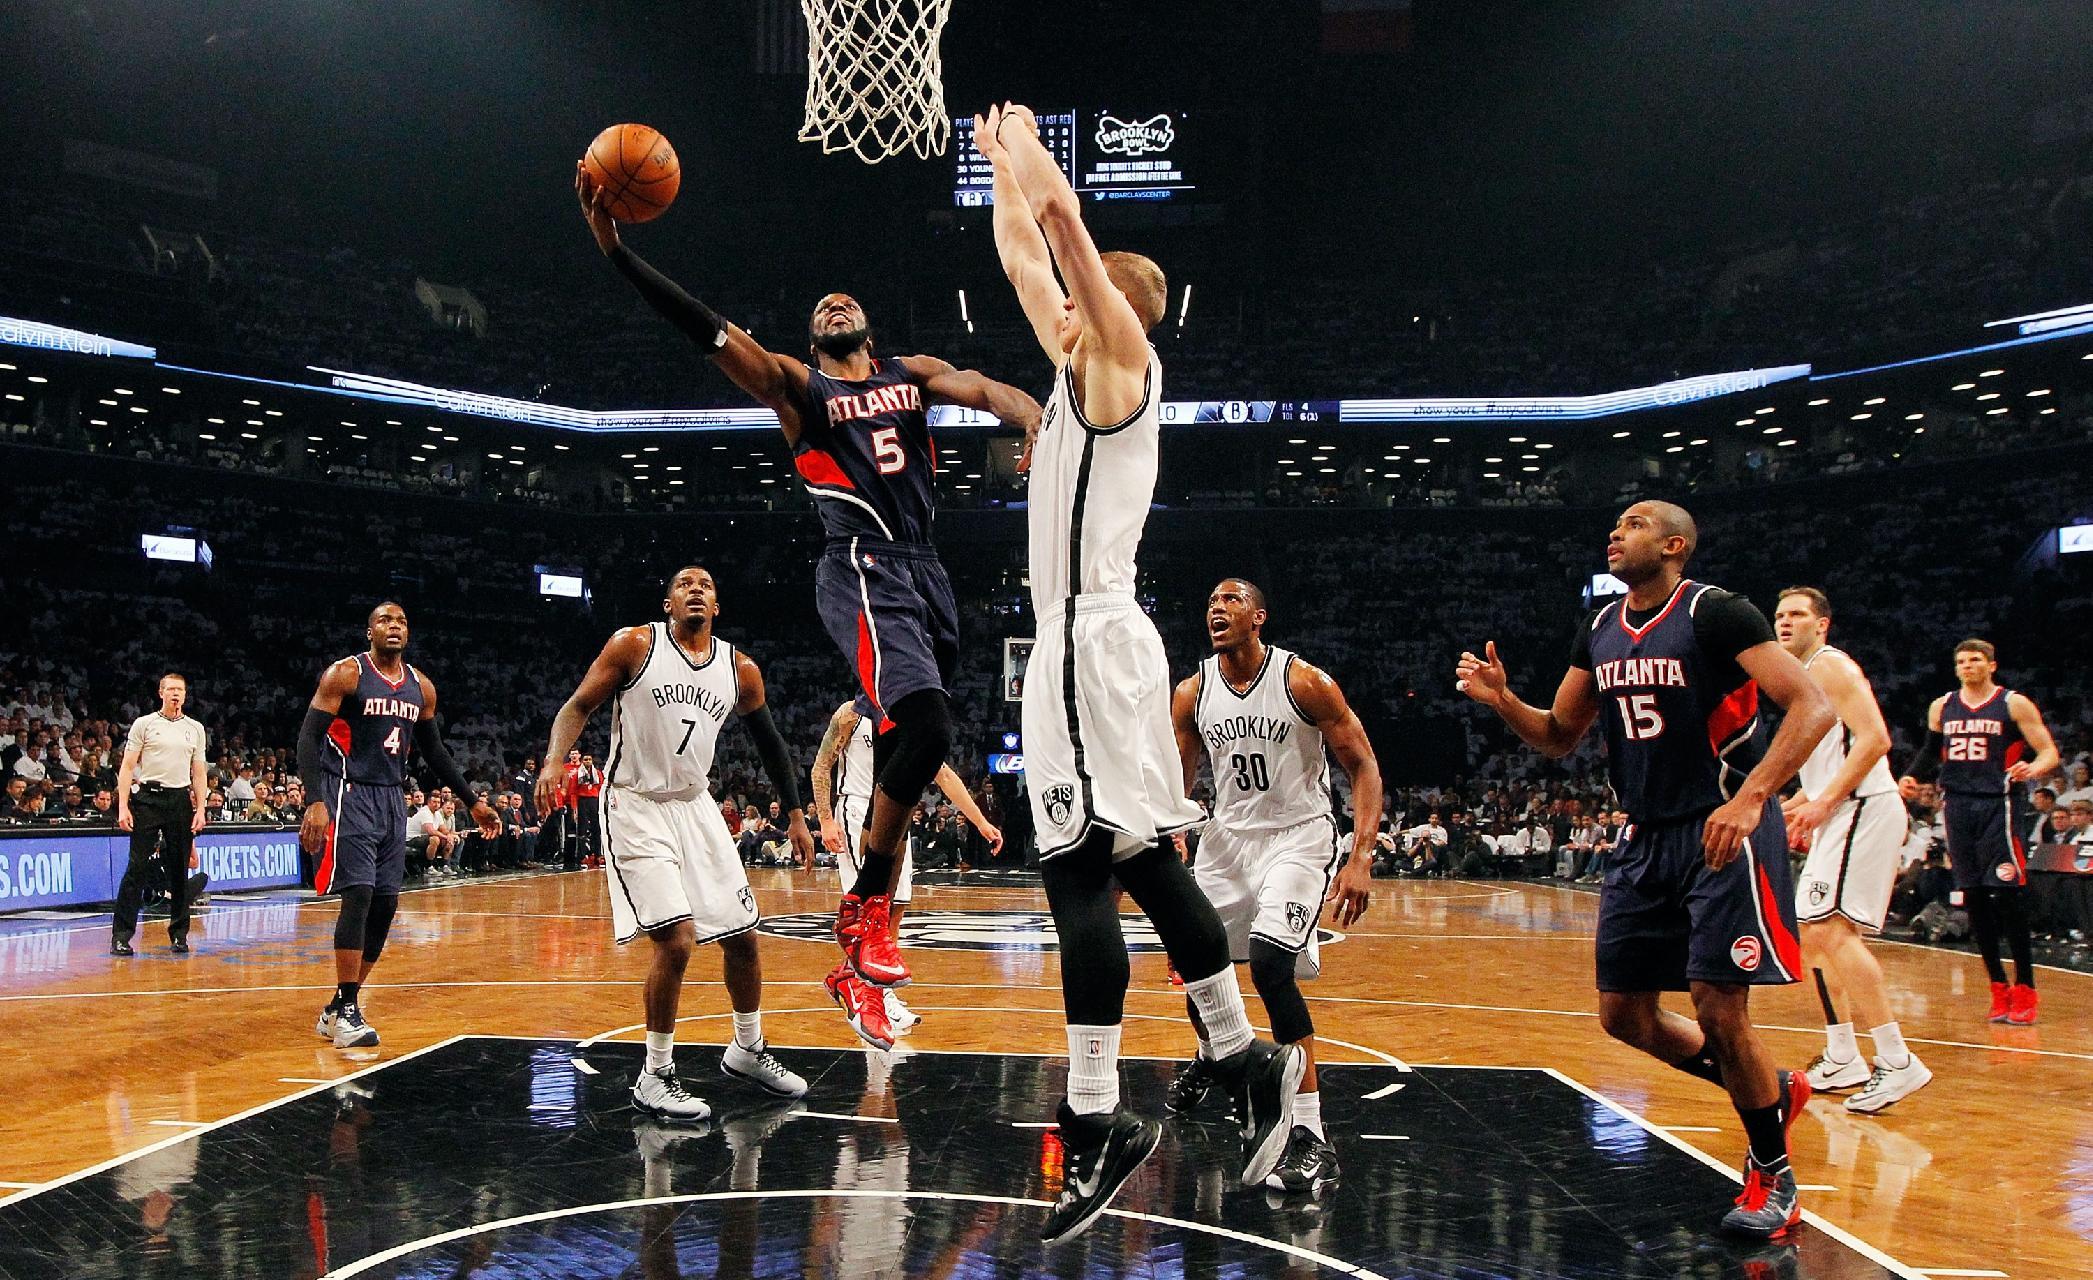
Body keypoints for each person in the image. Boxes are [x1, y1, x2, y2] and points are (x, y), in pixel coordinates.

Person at [576, 157, 1041, 1021]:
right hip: (860, 564)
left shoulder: (912, 373)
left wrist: (1040, 422)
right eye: (820, 306)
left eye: (844, 303)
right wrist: (617, 254)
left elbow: (990, 391)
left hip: (927, 568)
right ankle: (866, 909)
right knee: (930, 722)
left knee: (927, 739)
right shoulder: (802, 387)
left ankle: (861, 930)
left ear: (868, 322)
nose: (834, 305)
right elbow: (709, 331)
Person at [975, 101, 1304, 1245]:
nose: (1055, 304)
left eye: (1077, 294)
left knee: (1075, 877)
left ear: (1106, 303)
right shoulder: (1072, 368)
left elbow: (1058, 225)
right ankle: (1240, 1054)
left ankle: (1099, 1111)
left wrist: (1023, 147)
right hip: (1085, 652)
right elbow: (1028, 246)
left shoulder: (1119, 362)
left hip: (1090, 644)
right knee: (1151, 868)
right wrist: (998, 173)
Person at [1455, 500, 1836, 1239]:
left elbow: (1811, 706)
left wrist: (1754, 796)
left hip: (1720, 826)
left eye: (1630, 524)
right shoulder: (1599, 627)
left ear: (1672, 545)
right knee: (1621, 1015)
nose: (1613, 532)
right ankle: (1769, 1088)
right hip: (1643, 836)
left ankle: (1772, 1175)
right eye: (1614, 526)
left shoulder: (1717, 612)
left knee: (1717, 1007)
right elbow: (1560, 735)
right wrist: (1503, 701)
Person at [538, 565, 814, 1121]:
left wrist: (797, 815)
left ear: (718, 606)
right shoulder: (634, 646)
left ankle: (747, 1049)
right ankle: (654, 1075)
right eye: (684, 584)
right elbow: (577, 707)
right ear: (667, 604)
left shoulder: (741, 669)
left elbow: (772, 744)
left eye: (706, 584)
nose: (695, 589)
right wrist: (554, 761)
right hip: (635, 802)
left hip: (695, 805)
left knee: (743, 938)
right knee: (678, 940)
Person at [1168, 578, 1381, 1197]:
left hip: (1298, 835)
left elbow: (1363, 765)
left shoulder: (1304, 682)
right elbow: (1181, 773)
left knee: (1269, 966)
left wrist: (1360, 855)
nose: (1216, 608)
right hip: (1228, 839)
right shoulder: (1192, 692)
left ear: (1259, 617)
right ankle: (1219, 1057)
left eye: (1231, 600)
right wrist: (1174, 829)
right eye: (1210, 601)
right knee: (1198, 969)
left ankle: (1311, 1135)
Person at [297, 603, 497, 1049]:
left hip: (392, 797)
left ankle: (339, 1006)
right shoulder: (345, 674)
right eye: (386, 621)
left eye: (402, 622)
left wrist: (472, 801)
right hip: (348, 790)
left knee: (385, 907)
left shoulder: (421, 686)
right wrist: (314, 800)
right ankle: (348, 1010)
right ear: (369, 630)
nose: (395, 627)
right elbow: (309, 738)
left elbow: (435, 751)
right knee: (360, 895)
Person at [1771, 587, 1930, 1112]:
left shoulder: (1832, 667)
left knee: (1834, 934)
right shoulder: (1801, 675)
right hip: (1842, 809)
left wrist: (1824, 804)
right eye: (1779, 616)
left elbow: (1875, 740)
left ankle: (1898, 1060)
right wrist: (1800, 802)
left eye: (1797, 614)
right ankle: (1844, 1054)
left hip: (1863, 808)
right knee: (1813, 939)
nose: (1785, 622)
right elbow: (1828, 759)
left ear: (1823, 625)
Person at [809, 696, 1005, 1043]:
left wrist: (980, 822)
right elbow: (821, 765)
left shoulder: (909, 712)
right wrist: (825, 820)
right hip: (856, 811)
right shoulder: (851, 713)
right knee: (869, 908)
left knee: (893, 911)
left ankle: (862, 984)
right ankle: (870, 996)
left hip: (896, 814)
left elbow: (942, 773)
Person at [1896, 639, 2059, 1025]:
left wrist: (2033, 770)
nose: (1967, 666)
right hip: (1957, 804)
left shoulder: (2012, 703)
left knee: (2007, 895)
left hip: (1998, 805)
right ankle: (1997, 987)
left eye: (1974, 660)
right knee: (1973, 898)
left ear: (1991, 665)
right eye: (1961, 661)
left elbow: (2048, 751)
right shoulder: (1943, 705)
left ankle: (2026, 989)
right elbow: (1930, 752)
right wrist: (1911, 775)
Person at [111, 674, 209, 956]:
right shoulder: (145, 724)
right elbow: (128, 767)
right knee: (137, 867)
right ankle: (121, 935)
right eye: (171, 690)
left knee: (180, 869)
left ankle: (179, 934)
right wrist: (123, 806)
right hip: (148, 798)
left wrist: (200, 808)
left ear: (185, 695)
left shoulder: (195, 728)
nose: (176, 694)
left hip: (179, 799)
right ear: (161, 693)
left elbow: (199, 771)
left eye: (180, 690)